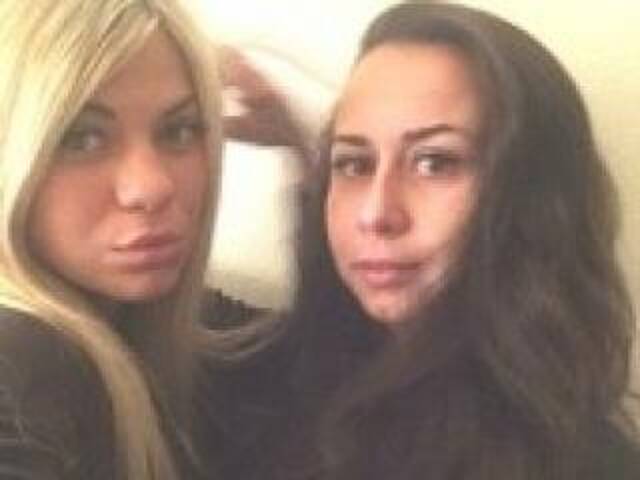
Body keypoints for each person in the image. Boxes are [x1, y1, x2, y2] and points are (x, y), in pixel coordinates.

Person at [219, 2, 640, 480]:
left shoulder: (579, 463)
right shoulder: (325, 370)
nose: (376, 214)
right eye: (355, 163)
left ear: (533, 196)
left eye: (435, 162)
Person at [0, 0, 265, 478]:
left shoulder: (158, 318)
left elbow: (320, 362)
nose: (152, 187)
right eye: (82, 139)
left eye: (179, 131)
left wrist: (321, 158)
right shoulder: (18, 364)